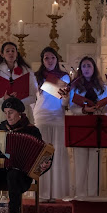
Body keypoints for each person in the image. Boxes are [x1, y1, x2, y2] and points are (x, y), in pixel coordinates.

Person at [68, 56, 107, 197]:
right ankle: (80, 194)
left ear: (94, 69)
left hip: (97, 126)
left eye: (89, 66)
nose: (86, 69)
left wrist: (99, 108)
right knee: (80, 163)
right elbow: (70, 106)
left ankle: (94, 194)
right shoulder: (75, 87)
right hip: (80, 126)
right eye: (84, 66)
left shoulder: (102, 87)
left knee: (96, 163)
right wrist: (83, 110)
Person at [33, 47, 71, 201]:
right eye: (46, 58)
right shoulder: (36, 77)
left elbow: (65, 103)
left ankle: (57, 193)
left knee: (58, 155)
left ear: (57, 59)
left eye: (52, 58)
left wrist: (66, 97)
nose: (49, 61)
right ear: (42, 61)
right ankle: (41, 193)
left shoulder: (65, 78)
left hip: (58, 118)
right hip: (41, 117)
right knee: (42, 155)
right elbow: (32, 100)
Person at [0, 42, 38, 142]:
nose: (10, 53)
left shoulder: (26, 70)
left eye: (13, 51)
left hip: (22, 111)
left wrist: (18, 101)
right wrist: (3, 99)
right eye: (7, 51)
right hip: (3, 112)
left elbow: (33, 95)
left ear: (17, 53)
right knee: (2, 142)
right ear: (2, 54)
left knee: (23, 142)